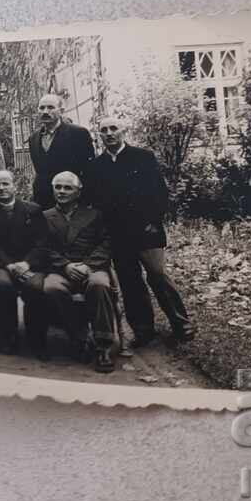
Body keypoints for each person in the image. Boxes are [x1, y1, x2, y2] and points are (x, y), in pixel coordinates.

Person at [86, 116, 194, 347]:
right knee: (130, 282)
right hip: (117, 235)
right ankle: (143, 330)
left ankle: (181, 323)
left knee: (157, 275)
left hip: (147, 231)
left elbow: (160, 193)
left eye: (113, 128)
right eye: (104, 130)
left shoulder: (143, 157)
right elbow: (96, 202)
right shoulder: (96, 166)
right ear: (99, 135)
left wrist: (152, 221)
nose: (109, 133)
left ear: (123, 131)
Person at [24, 171, 117, 373]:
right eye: (58, 187)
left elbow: (106, 243)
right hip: (60, 269)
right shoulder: (44, 217)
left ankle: (103, 346)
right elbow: (42, 247)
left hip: (90, 267)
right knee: (51, 288)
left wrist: (88, 265)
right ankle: (80, 336)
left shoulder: (94, 215)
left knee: (100, 285)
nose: (62, 191)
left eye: (68, 188)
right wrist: (65, 265)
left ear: (78, 192)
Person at [0, 169, 47, 355]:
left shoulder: (33, 210)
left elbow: (42, 242)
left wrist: (27, 263)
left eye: (6, 183)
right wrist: (8, 264)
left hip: (29, 263)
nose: (1, 188)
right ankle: (8, 335)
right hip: (0, 263)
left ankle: (36, 338)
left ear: (15, 186)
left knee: (35, 287)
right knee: (2, 285)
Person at [27, 94, 96, 209]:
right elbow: (40, 171)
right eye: (42, 108)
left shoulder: (78, 134)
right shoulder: (33, 138)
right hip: (43, 201)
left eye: (50, 107)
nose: (45, 111)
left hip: (71, 201)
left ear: (61, 110)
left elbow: (89, 170)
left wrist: (86, 201)